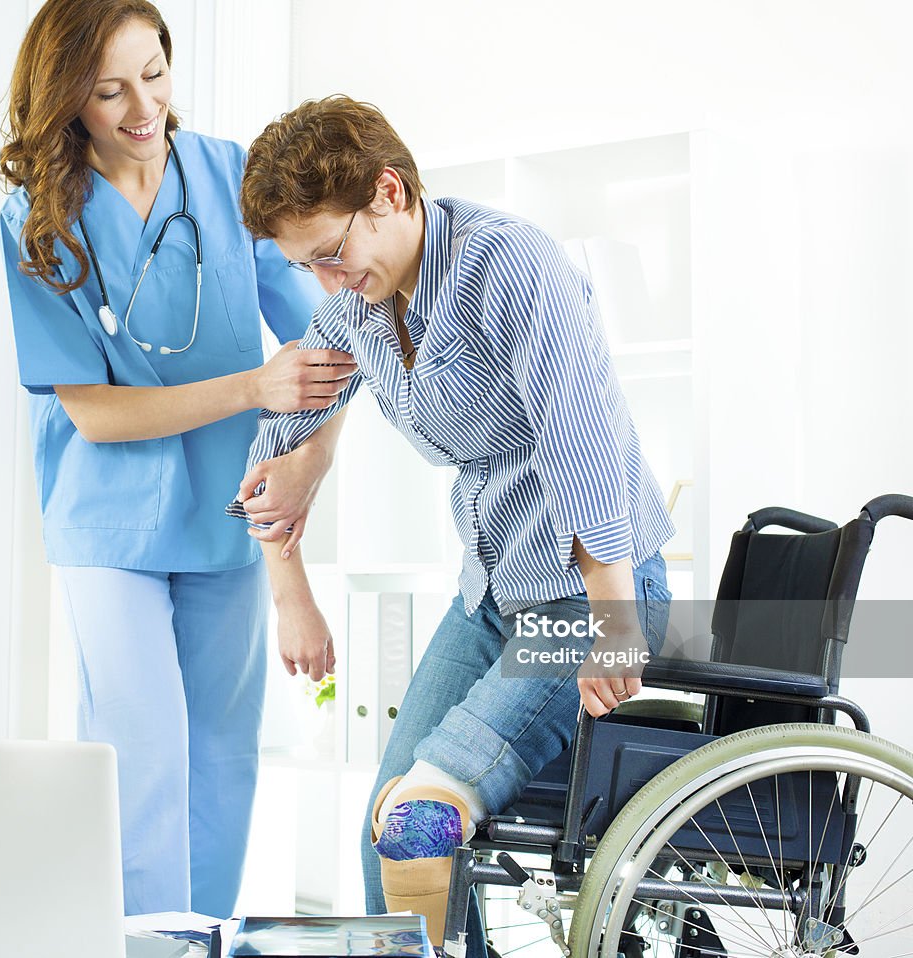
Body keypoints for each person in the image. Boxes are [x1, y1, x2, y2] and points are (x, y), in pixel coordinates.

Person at [228, 95, 674, 951]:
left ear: (388, 192)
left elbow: (580, 436)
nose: (324, 281)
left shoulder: (510, 268)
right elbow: (275, 445)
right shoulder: (354, 310)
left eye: (331, 253)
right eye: (304, 266)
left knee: (417, 823)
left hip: (589, 593)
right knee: (380, 840)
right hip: (490, 595)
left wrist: (614, 618)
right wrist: (293, 598)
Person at [0, 1, 354, 918]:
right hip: (107, 519)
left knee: (223, 754)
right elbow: (96, 415)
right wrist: (248, 391)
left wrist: (308, 463)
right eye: (109, 90)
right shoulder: (37, 220)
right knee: (142, 751)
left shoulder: (230, 177)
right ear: (67, 98)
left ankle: (208, 938)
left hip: (224, 514)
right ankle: (146, 941)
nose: (142, 106)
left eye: (154, 72)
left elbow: (331, 344)